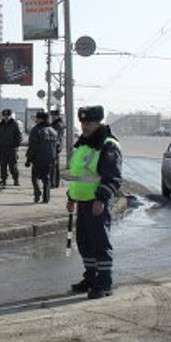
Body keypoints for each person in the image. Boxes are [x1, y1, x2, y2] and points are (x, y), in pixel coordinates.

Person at [66, 105, 122, 299]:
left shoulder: (107, 144)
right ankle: (90, 278)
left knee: (100, 243)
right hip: (82, 201)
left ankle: (104, 283)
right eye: (82, 123)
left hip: (97, 203)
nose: (84, 127)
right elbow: (78, 173)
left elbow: (113, 177)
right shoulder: (83, 143)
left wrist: (101, 199)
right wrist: (71, 197)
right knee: (84, 243)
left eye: (88, 123)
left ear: (99, 122)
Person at [25, 111, 59, 203]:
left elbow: (32, 146)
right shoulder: (53, 131)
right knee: (46, 178)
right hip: (51, 159)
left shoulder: (36, 130)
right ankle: (46, 198)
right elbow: (58, 146)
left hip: (38, 158)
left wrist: (28, 159)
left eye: (36, 118)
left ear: (40, 119)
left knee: (34, 177)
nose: (35, 120)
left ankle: (37, 193)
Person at [0, 109, 22, 187]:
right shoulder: (0, 125)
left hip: (11, 148)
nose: (6, 117)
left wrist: (16, 146)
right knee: (3, 165)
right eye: (5, 116)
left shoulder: (14, 124)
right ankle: (3, 180)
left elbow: (18, 136)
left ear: (10, 116)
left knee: (13, 166)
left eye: (7, 116)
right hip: (2, 148)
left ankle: (16, 179)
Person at [50, 109, 65, 187]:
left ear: (58, 116)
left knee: (53, 165)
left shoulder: (57, 124)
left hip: (55, 146)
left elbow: (56, 136)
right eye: (52, 116)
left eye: (54, 116)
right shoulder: (58, 123)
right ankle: (55, 183)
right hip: (57, 145)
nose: (53, 117)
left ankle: (53, 183)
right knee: (55, 165)